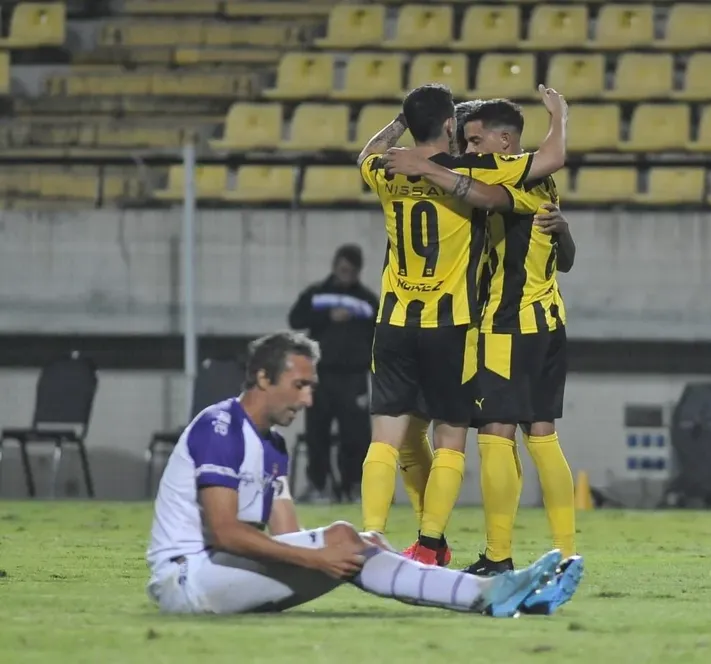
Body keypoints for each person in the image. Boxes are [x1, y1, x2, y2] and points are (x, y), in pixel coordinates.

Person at [144, 331, 581, 616]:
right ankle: (493, 594)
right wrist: (321, 556)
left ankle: (496, 594)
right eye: (299, 386)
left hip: (220, 571)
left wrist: (344, 549)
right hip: (186, 580)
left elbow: (288, 537)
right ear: (262, 377)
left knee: (353, 542)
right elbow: (224, 532)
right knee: (341, 541)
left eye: (311, 387)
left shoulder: (272, 445)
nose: (309, 400)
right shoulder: (221, 427)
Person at [355, 82, 569, 566]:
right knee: (451, 438)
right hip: (452, 324)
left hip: (393, 321)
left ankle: (372, 534)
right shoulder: (472, 169)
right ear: (451, 126)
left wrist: (398, 128)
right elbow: (549, 161)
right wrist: (559, 116)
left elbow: (366, 154)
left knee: (386, 438)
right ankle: (431, 543)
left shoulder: (386, 170)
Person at [287, 245, 378, 503]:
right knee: (317, 433)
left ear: (358, 271)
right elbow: (295, 319)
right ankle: (319, 486)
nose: (345, 273)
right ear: (335, 266)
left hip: (354, 378)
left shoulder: (368, 301)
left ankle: (353, 487)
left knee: (356, 435)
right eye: (342, 268)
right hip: (320, 376)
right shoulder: (316, 295)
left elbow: (381, 334)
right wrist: (326, 317)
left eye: (350, 269)